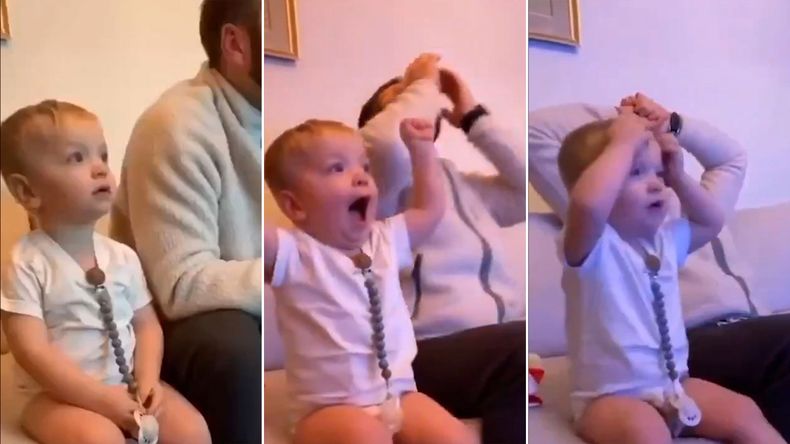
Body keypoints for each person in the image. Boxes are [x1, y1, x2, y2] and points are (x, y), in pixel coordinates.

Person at [529, 93, 790, 441]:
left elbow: (712, 220)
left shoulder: (666, 241)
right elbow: (589, 204)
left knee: (744, 411)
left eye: (657, 173)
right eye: (635, 173)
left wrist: (678, 175)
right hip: (611, 399)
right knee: (645, 432)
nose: (655, 183)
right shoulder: (592, 246)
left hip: (673, 385)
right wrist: (622, 140)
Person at [0, 100, 210, 444]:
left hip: (124, 385)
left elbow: (146, 326)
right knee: (101, 438)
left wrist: (147, 381)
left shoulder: (122, 256)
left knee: (193, 430)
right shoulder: (26, 262)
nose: (99, 169)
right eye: (76, 158)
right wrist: (102, 402)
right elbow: (31, 350)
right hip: (52, 397)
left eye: (103, 156)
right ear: (27, 191)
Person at [263, 118, 477, 444]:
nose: (361, 175)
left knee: (457, 438)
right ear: (294, 205)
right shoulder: (292, 252)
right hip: (327, 411)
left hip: (399, 394)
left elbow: (430, 210)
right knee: (366, 436)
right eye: (337, 168)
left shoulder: (386, 239)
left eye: (364, 166)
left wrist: (422, 151)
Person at [109, 1, 262, 442]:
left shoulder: (284, 131)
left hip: (248, 308)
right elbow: (181, 286)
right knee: (231, 346)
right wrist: (285, 268)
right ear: (235, 43)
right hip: (167, 324)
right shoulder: (175, 126)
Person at [358, 53, 527, 444]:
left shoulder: (466, 186)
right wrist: (422, 81)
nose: (424, 100)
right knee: (517, 351)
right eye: (404, 99)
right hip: (425, 352)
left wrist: (471, 115)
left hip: (496, 350)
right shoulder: (378, 187)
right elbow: (385, 145)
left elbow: (527, 179)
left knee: (515, 384)